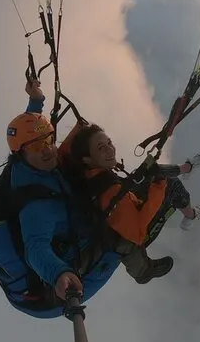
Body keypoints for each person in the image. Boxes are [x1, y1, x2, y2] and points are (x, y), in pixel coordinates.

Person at [7, 78, 121, 307]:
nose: (48, 150)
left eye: (49, 139)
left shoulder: (27, 162)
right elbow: (35, 248)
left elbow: (28, 129)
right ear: (21, 153)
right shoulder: (37, 208)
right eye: (38, 147)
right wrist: (59, 274)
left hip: (66, 201)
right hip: (68, 275)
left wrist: (36, 100)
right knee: (122, 236)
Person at [66, 122, 200, 284]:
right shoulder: (108, 190)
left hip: (119, 214)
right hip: (130, 237)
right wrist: (159, 186)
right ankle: (190, 216)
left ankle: (185, 168)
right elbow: (138, 229)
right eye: (101, 148)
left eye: (109, 143)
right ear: (87, 159)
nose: (110, 149)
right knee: (171, 185)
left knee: (153, 171)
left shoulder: (92, 176)